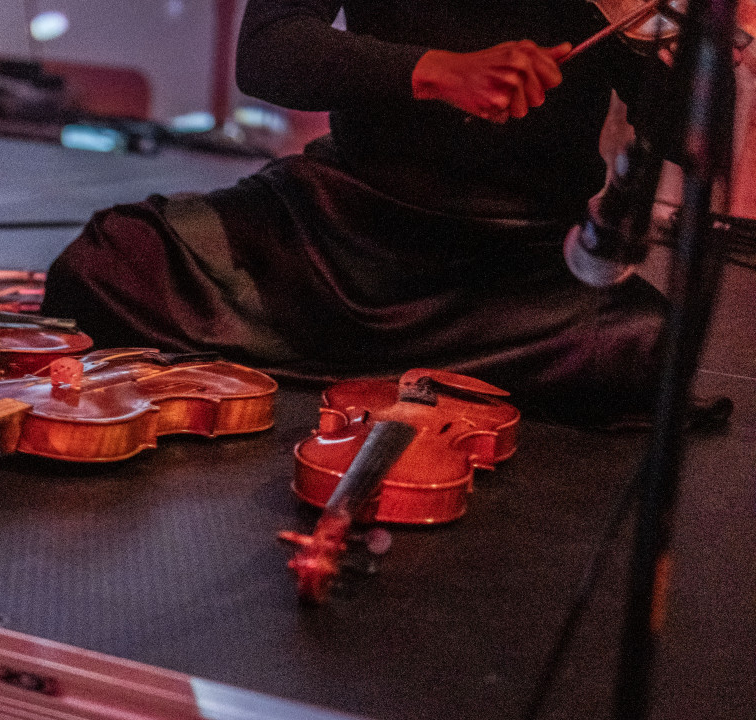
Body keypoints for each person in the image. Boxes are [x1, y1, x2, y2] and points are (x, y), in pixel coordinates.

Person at [40, 1, 706, 424]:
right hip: (339, 228)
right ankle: (439, 375)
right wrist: (439, 72)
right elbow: (268, 49)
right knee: (107, 261)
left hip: (514, 265)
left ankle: (332, 359)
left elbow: (690, 137)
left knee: (654, 350)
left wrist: (646, 25)